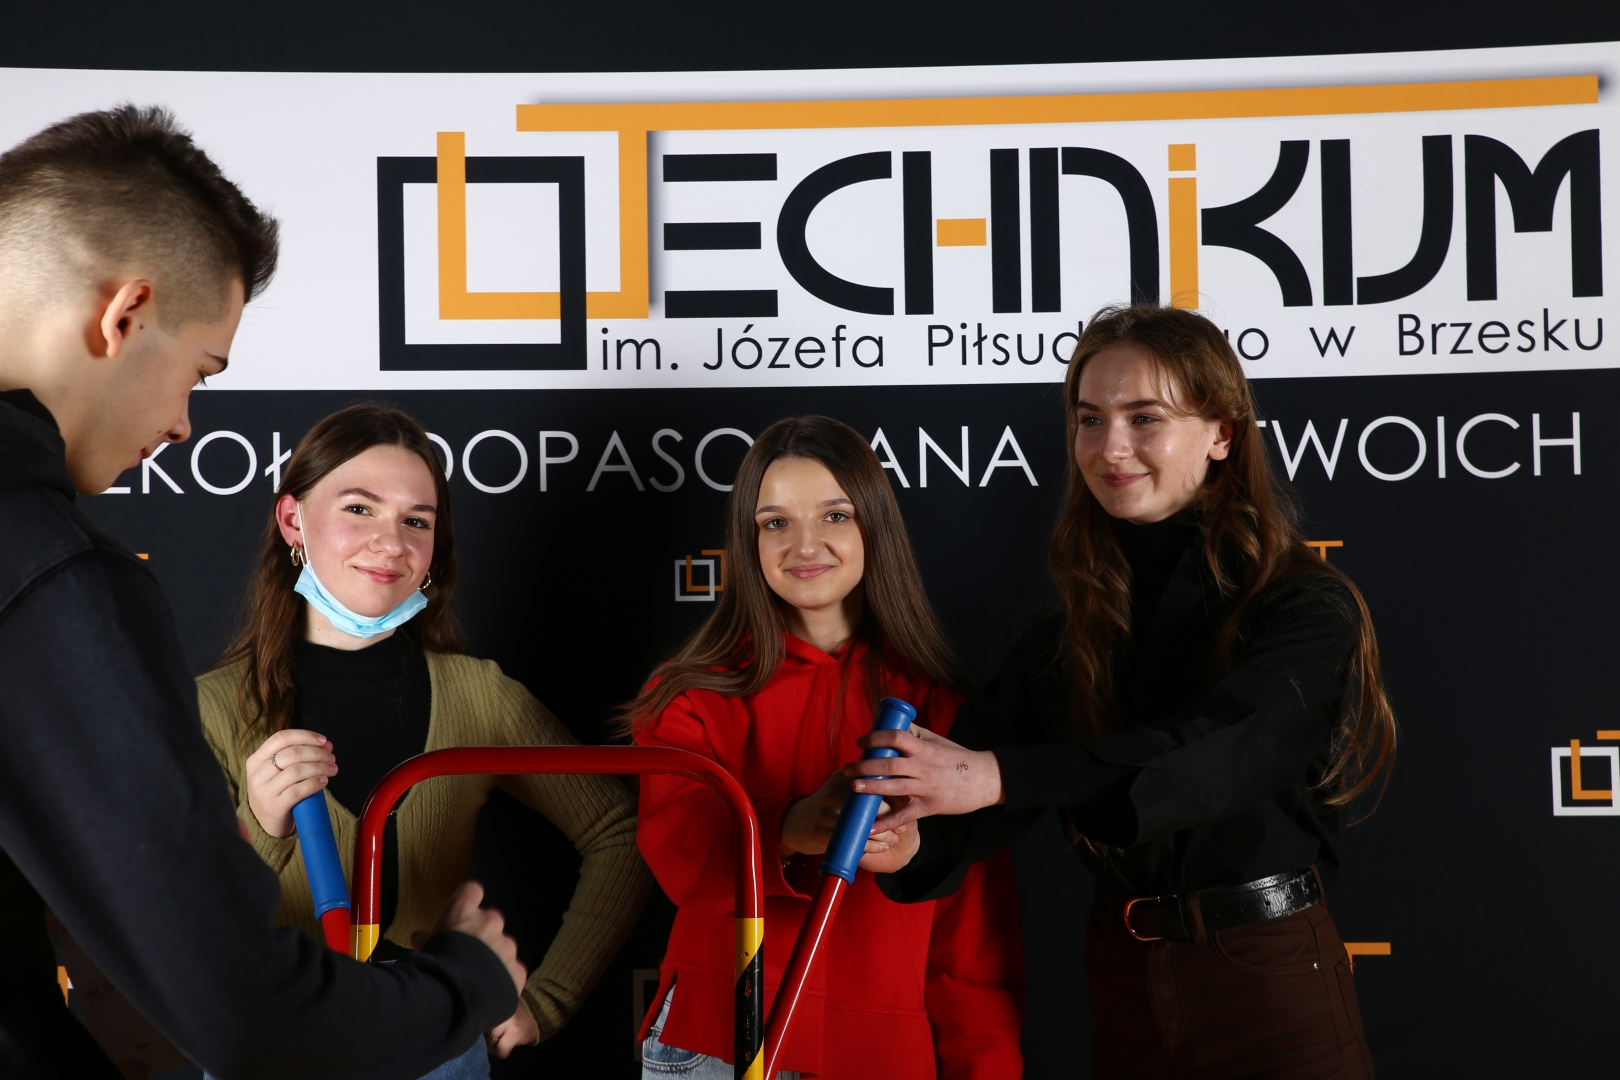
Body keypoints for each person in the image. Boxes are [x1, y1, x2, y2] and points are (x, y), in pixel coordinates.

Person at [0, 105, 525, 1080]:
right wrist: (471, 982)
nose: (184, 425)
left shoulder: (481, 692)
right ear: (124, 316)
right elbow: (252, 1019)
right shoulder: (54, 578)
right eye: (200, 372)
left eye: (417, 519)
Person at [854, 304, 1395, 1079]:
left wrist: (992, 776)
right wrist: (906, 836)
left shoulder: (1304, 607)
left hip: (1266, 972)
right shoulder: (1071, 625)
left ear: (1221, 435)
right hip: (1118, 973)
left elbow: (1207, 760)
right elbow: (974, 775)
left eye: (1145, 418)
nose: (1110, 448)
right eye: (1090, 419)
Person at [195, 402, 651, 1076]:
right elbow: (182, 930)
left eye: (417, 521)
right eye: (359, 508)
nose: (390, 542)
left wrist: (545, 1002)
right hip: (273, 1038)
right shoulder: (209, 707)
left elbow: (618, 832)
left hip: (435, 1044)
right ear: (293, 520)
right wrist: (261, 827)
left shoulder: (479, 696)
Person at [623, 416, 1025, 1080]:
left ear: (873, 526)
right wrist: (791, 826)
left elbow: (973, 942)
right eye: (775, 523)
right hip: (721, 1039)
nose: (804, 544)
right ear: (748, 541)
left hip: (879, 1057)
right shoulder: (691, 692)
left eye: (834, 515)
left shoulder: (945, 712)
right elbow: (679, 848)